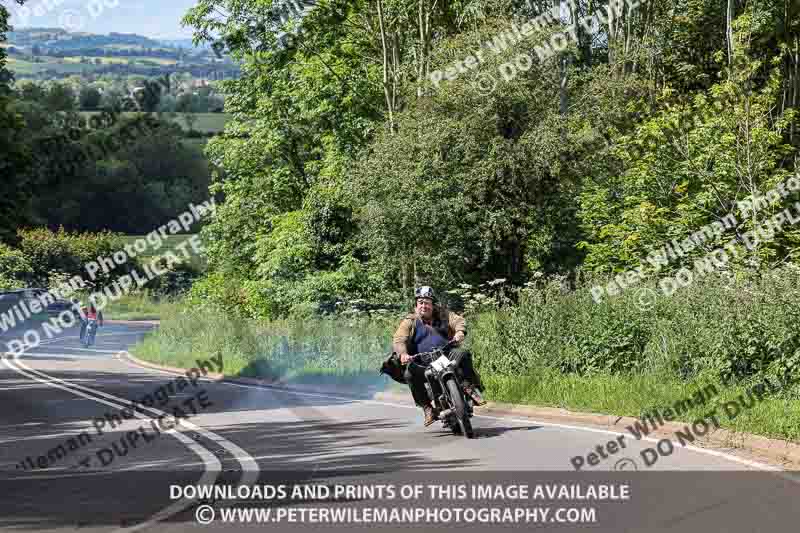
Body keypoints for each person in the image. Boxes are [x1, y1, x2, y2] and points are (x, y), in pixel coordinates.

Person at [392, 286, 486, 427]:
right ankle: (427, 408)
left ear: (432, 304)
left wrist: (460, 332)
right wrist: (403, 354)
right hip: (424, 362)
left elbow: (458, 320)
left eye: (427, 302)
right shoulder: (410, 321)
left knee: (464, 354)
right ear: (416, 305)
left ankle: (468, 387)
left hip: (446, 354)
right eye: (421, 302)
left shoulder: (443, 314)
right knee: (409, 374)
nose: (424, 306)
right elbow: (399, 339)